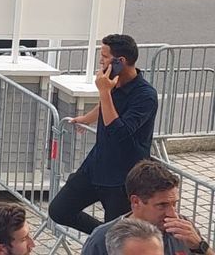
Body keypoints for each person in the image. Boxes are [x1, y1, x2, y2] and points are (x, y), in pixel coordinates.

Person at [49, 34, 159, 234]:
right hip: (95, 167)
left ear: (120, 61)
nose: (101, 61)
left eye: (105, 56)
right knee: (59, 210)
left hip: (122, 179)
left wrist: (105, 92)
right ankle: (105, 235)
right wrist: (88, 118)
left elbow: (119, 132)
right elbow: (104, 108)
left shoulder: (145, 96)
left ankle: (110, 239)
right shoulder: (113, 84)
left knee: (119, 236)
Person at [80, 159, 209, 255]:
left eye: (174, 204)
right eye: (162, 205)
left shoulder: (184, 230)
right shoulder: (101, 239)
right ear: (136, 202)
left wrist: (200, 246)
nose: (173, 214)